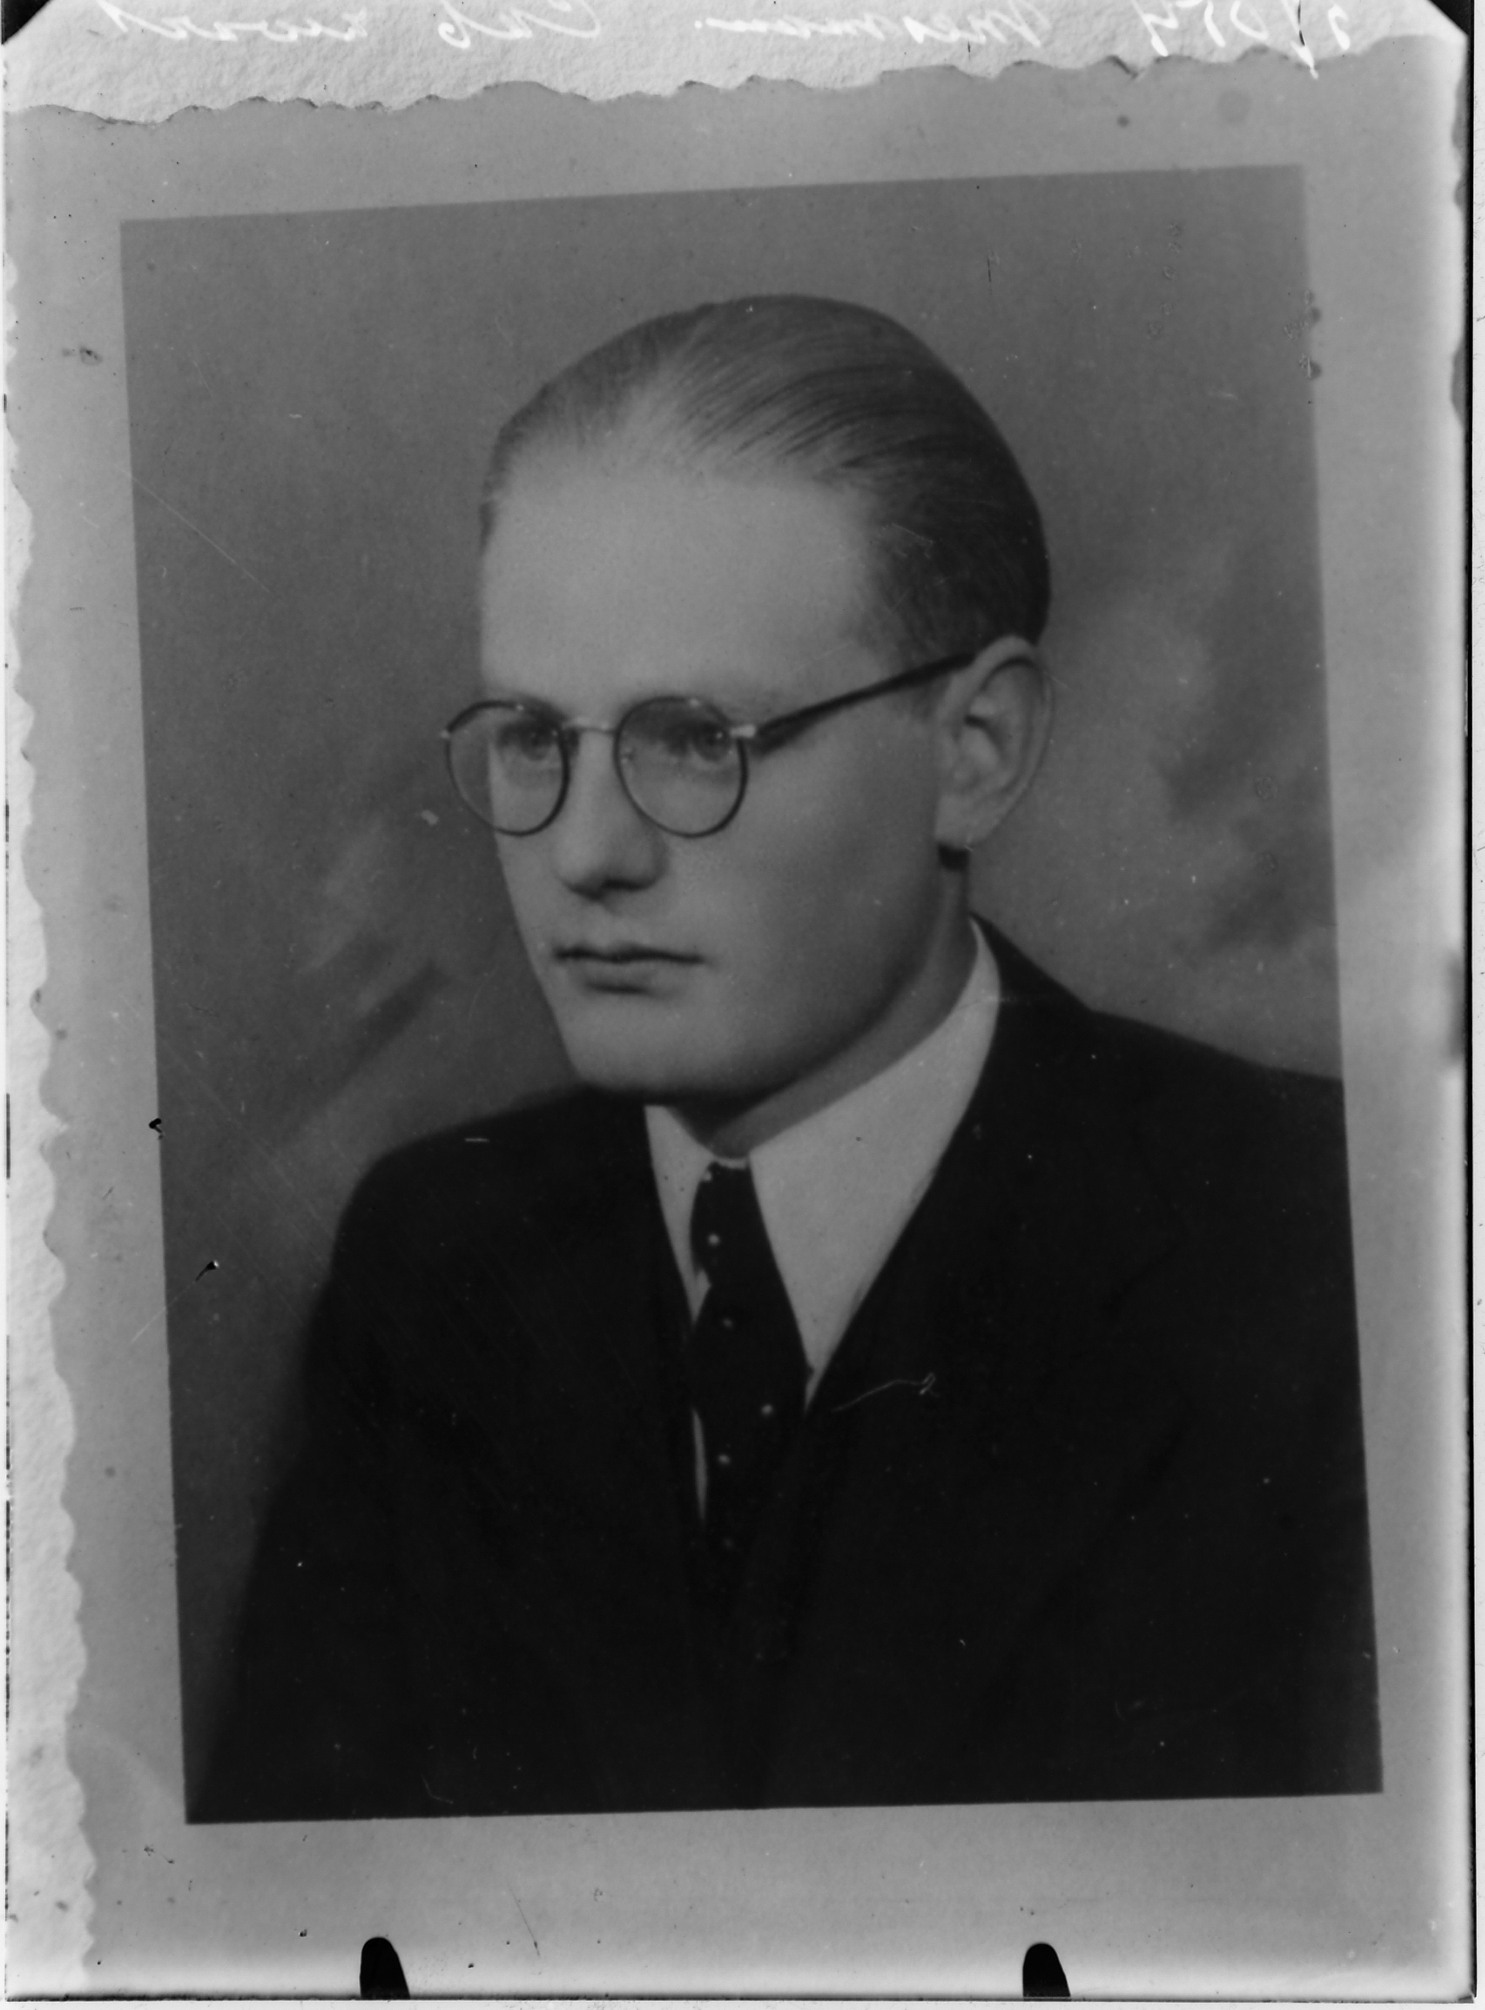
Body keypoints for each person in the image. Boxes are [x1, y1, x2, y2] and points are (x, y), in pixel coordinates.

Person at [197, 295, 1379, 1822]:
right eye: (534, 736)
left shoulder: (1324, 1238)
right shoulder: (434, 1258)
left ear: (976, 749)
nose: (587, 851)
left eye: (698, 737)